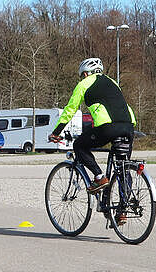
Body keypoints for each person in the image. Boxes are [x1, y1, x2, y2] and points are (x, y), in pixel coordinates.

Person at [49, 58, 136, 193]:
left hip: (108, 128)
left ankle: (99, 177)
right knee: (123, 167)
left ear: (84, 74)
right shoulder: (113, 82)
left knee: (79, 145)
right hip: (128, 127)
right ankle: (123, 210)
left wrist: (56, 132)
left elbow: (70, 110)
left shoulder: (84, 84)